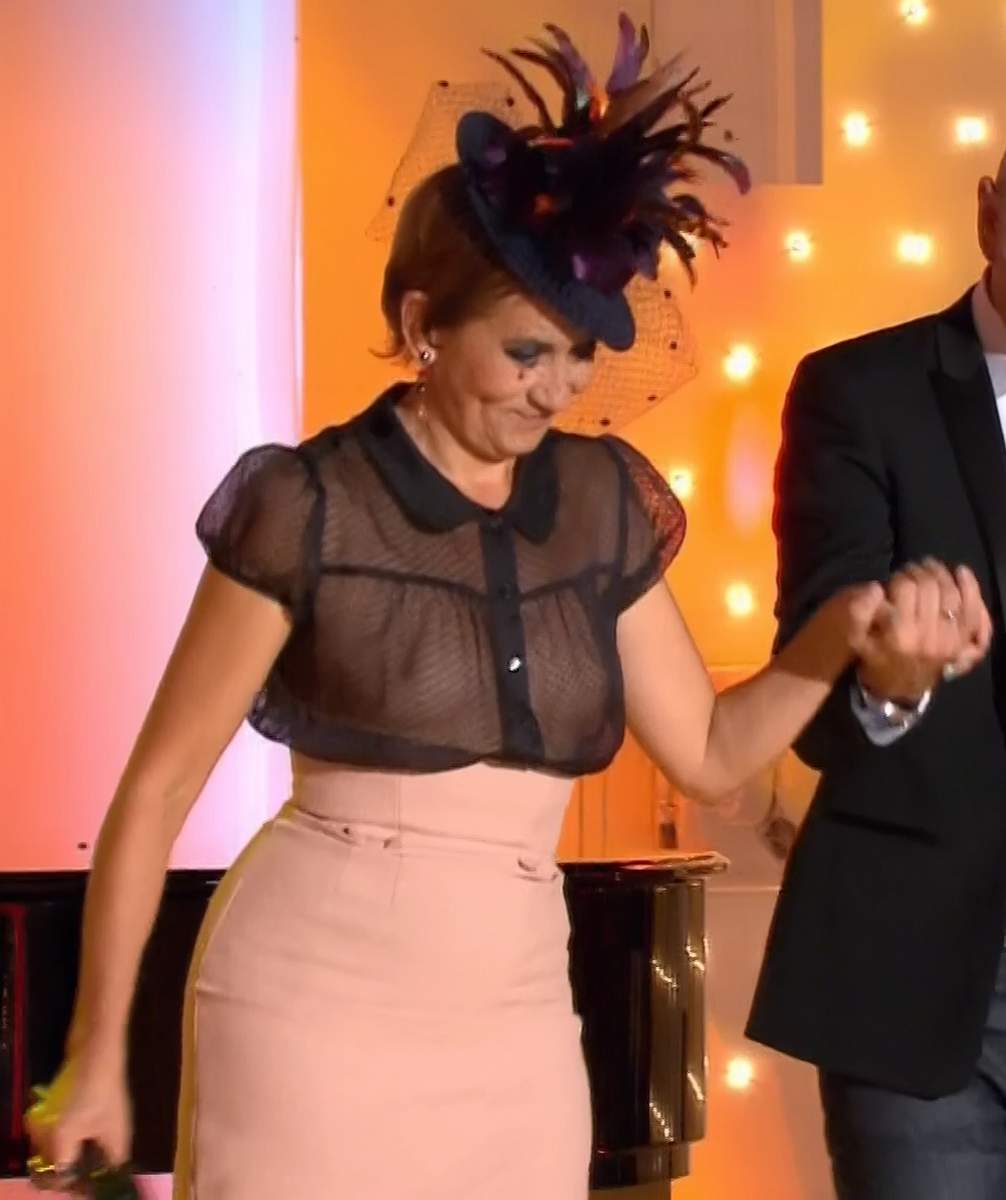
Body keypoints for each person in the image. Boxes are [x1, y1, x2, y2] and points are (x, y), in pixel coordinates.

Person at [27, 17, 989, 1199]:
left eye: (579, 355)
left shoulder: (600, 500)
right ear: (422, 326)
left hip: (520, 1018)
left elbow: (707, 750)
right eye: (528, 352)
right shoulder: (307, 504)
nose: (560, 389)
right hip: (309, 1004)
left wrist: (842, 634)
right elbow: (158, 790)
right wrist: (95, 1055)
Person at [746, 149, 1006, 1197]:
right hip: (917, 977)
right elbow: (813, 707)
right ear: (990, 213)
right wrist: (891, 681)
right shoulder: (859, 391)